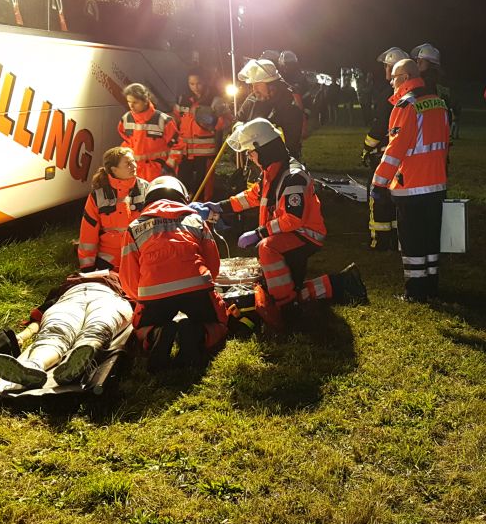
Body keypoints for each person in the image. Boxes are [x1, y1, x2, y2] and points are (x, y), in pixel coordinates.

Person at [202, 118, 367, 331]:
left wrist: (259, 233)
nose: (250, 157)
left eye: (250, 152)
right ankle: (339, 285)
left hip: (304, 235)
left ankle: (288, 310)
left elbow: (293, 219)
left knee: (267, 249)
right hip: (288, 234)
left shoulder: (292, 176)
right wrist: (220, 207)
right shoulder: (273, 171)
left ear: (264, 149)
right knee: (282, 286)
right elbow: (253, 196)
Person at [120, 176, 230, 371]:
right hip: (196, 288)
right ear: (182, 197)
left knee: (139, 328)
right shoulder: (195, 219)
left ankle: (155, 334)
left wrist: (142, 298)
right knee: (219, 322)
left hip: (154, 293)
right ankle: (199, 334)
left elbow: (128, 277)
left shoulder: (134, 227)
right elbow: (213, 263)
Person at [372, 59, 449, 302]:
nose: (391, 82)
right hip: (437, 184)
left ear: (404, 78)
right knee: (430, 239)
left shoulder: (406, 106)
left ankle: (415, 292)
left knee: (412, 241)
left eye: (394, 78)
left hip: (412, 186)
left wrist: (378, 183)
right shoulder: (439, 102)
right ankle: (431, 285)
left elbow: (395, 150)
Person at [0, 270, 133, 388]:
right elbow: (40, 316)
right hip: (74, 298)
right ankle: (32, 366)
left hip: (105, 296)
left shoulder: (120, 276)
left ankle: (75, 358)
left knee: (93, 327)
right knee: (57, 330)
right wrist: (22, 336)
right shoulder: (67, 284)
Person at [363, 47, 408, 250]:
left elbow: (380, 125)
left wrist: (366, 146)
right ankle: (398, 238)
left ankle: (380, 241)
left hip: (384, 153)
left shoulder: (388, 94)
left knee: (378, 195)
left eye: (386, 67)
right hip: (403, 156)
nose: (385, 71)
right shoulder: (412, 93)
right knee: (396, 197)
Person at [78, 146, 150, 272]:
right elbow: (88, 232)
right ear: (114, 170)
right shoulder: (98, 195)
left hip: (141, 257)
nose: (134, 166)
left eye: (133, 161)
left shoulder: (146, 188)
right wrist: (87, 267)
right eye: (128, 163)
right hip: (109, 261)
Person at [173, 70, 231, 201]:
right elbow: (176, 120)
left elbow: (228, 120)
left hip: (205, 152)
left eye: (198, 83)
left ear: (205, 82)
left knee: (203, 188)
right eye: (191, 84)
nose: (195, 87)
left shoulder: (215, 100)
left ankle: (203, 214)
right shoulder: (183, 100)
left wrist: (214, 122)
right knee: (182, 185)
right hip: (185, 151)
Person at [236, 58, 304, 159]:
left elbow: (290, 142)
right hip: (254, 161)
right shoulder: (252, 99)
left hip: (281, 163)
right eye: (252, 85)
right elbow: (238, 120)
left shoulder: (290, 105)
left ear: (272, 86)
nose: (254, 90)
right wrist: (239, 129)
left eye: (258, 85)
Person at [117, 83, 179, 182]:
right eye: (129, 101)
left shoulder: (163, 120)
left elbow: (177, 146)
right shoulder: (126, 119)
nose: (131, 105)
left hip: (158, 172)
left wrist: (169, 166)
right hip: (135, 171)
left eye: (135, 102)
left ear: (146, 100)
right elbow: (126, 142)